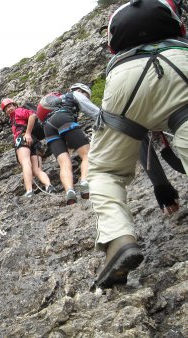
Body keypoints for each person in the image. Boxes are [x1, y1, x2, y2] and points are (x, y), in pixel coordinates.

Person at [88, 0, 188, 288]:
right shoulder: (167, 8)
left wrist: (159, 183)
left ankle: (118, 239)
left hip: (125, 78)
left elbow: (140, 137)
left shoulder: (116, 22)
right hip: (178, 60)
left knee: (104, 171)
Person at [38, 84, 99, 204]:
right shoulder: (75, 94)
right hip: (63, 118)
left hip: (48, 127)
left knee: (64, 163)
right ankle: (84, 183)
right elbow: (95, 113)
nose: (87, 98)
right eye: (87, 96)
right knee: (87, 154)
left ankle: (69, 191)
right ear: (81, 91)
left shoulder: (58, 101)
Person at [0, 98, 55, 197]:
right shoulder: (13, 118)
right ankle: (49, 186)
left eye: (9, 106)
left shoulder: (18, 111)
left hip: (23, 139)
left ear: (15, 105)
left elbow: (32, 115)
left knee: (26, 163)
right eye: (6, 109)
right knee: (37, 170)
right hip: (34, 142)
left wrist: (28, 133)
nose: (8, 109)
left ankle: (29, 191)